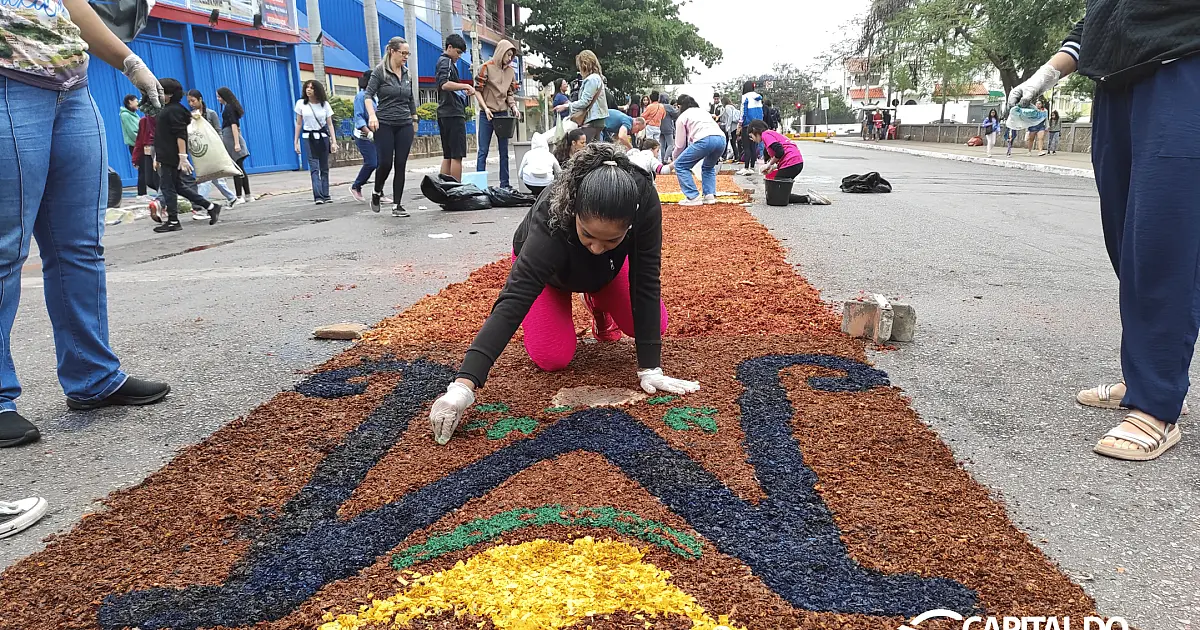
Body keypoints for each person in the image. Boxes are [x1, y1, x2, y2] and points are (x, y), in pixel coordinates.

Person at [1008, 3, 1200, 460]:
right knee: (1126, 238)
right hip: (1116, 82)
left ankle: (1155, 403)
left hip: (1183, 68)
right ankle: (1146, 376)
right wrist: (1046, 74)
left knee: (1162, 240)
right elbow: (1101, 19)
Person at [426, 143, 699, 445]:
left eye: (611, 239)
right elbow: (514, 299)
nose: (596, 247)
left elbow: (646, 279)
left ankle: (597, 300)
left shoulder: (642, 200)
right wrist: (462, 386)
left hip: (606, 271)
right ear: (574, 212)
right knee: (552, 357)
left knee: (653, 326)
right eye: (588, 235)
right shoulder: (552, 216)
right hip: (551, 276)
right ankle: (583, 293)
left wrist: (650, 368)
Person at [1, 0, 172, 448]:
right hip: (8, 83)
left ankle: (93, 376)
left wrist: (128, 61)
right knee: (5, 248)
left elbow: (70, 4)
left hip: (72, 89)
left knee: (79, 245)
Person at [154, 78, 222, 232]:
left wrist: (182, 156)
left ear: (169, 94)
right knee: (178, 186)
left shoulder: (173, 111)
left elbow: (180, 134)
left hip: (171, 156)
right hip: (166, 154)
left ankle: (173, 221)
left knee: (167, 187)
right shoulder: (170, 109)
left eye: (161, 92)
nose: (159, 95)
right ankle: (211, 206)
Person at [366, 36, 419, 217]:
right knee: (386, 163)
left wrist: (415, 118)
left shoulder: (407, 74)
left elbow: (410, 98)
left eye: (407, 54)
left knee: (401, 164)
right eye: (403, 53)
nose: (405, 57)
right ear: (392, 51)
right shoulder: (380, 72)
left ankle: (397, 205)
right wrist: (372, 115)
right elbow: (368, 95)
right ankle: (376, 191)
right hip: (385, 123)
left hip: (404, 123)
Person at [747, 119, 830, 205]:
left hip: (791, 163)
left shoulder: (765, 135)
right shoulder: (771, 133)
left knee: (777, 195)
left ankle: (810, 198)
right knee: (779, 194)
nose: (752, 139)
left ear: (754, 130)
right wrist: (773, 167)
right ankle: (809, 198)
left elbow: (780, 151)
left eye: (751, 136)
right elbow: (781, 154)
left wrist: (769, 164)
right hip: (795, 162)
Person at [474, 39, 519, 190]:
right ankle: (479, 185)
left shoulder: (510, 72)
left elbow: (509, 93)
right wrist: (485, 108)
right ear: (501, 52)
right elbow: (477, 91)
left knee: (504, 151)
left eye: (512, 56)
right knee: (483, 151)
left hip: (503, 114)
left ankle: (505, 184)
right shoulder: (485, 68)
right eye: (508, 55)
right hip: (487, 114)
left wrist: (513, 107)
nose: (509, 58)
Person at [186, 90, 238, 218]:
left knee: (206, 178)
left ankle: (200, 208)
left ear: (200, 99)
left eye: (193, 100)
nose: (191, 104)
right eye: (189, 101)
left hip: (213, 148)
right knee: (213, 177)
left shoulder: (211, 114)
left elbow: (218, 131)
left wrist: (220, 146)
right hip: (201, 150)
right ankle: (232, 198)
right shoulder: (190, 116)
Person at [671, 95, 727, 207]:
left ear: (680, 106)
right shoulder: (703, 112)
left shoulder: (682, 117)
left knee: (680, 165)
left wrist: (675, 158)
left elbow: (680, 145)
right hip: (721, 139)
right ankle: (709, 195)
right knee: (708, 167)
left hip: (704, 140)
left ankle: (693, 196)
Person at [435, 34, 474, 182]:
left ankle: (444, 188)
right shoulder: (446, 62)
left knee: (448, 155)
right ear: (449, 47)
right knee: (456, 156)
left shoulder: (443, 62)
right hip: (452, 112)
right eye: (457, 52)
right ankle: (455, 189)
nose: (458, 56)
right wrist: (465, 85)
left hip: (445, 113)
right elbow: (444, 84)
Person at [293, 79, 337, 204]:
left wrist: (334, 141)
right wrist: (295, 141)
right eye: (307, 87)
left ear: (317, 90)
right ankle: (318, 196)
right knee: (314, 167)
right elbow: (299, 123)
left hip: (322, 137)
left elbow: (330, 124)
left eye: (311, 88)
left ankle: (326, 194)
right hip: (308, 137)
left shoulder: (325, 105)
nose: (308, 90)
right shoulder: (301, 103)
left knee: (324, 167)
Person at [556, 50, 607, 142]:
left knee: (584, 150)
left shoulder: (591, 79)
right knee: (595, 152)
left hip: (592, 120)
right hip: (598, 120)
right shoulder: (597, 78)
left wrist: (567, 106)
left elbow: (585, 101)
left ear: (584, 64)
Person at [216, 86, 251, 204]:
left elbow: (234, 125)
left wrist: (236, 143)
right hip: (230, 138)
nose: (218, 99)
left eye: (219, 96)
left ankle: (239, 196)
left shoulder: (229, 108)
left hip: (232, 139)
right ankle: (247, 195)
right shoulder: (229, 107)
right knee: (240, 169)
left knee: (237, 169)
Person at [349, 70, 377, 204]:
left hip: (377, 135)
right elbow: (359, 117)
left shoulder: (376, 97)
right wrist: (368, 132)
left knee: (382, 164)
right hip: (363, 136)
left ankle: (379, 192)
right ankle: (356, 186)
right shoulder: (361, 96)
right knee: (372, 162)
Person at [131, 110, 160, 210]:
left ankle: (163, 200)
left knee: (157, 179)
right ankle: (164, 196)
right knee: (149, 180)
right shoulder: (143, 121)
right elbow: (139, 139)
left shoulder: (159, 118)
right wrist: (135, 157)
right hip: (147, 151)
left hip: (159, 149)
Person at [518, 130, 560, 198]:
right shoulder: (549, 155)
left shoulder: (528, 154)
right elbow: (559, 172)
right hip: (546, 183)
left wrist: (528, 178)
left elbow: (520, 174)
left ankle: (534, 194)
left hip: (530, 183)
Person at [738, 81, 763, 175]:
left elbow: (743, 111)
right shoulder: (758, 97)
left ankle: (746, 167)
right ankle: (752, 167)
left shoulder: (745, 97)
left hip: (747, 125)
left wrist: (740, 124)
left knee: (746, 146)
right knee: (753, 147)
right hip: (757, 125)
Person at [658, 94, 680, 165]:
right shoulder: (668, 106)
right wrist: (679, 109)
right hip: (668, 127)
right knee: (671, 144)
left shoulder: (658, 106)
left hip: (659, 127)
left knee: (662, 145)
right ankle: (665, 159)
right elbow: (676, 114)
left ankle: (662, 159)